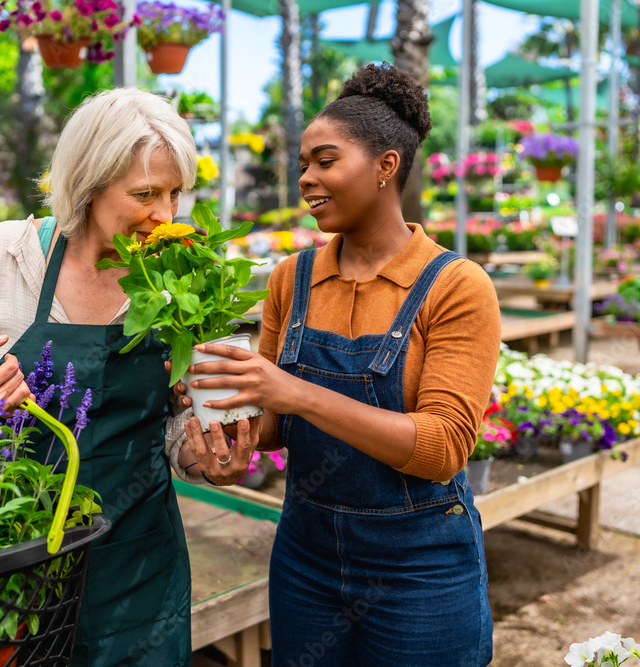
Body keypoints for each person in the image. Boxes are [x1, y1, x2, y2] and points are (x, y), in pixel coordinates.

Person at [0, 88, 255, 667]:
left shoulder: (179, 280)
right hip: (10, 555)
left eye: (175, 193)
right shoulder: (8, 256)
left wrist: (208, 459)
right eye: (145, 194)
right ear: (89, 185)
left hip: (137, 569)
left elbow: (172, 427)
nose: (166, 215)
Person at [180, 63, 501, 665]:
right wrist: (235, 437)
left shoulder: (455, 287)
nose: (306, 178)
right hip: (307, 556)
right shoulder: (292, 278)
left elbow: (443, 448)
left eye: (325, 161)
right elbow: (277, 425)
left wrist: (294, 393)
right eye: (303, 164)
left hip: (421, 566)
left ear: (386, 166)